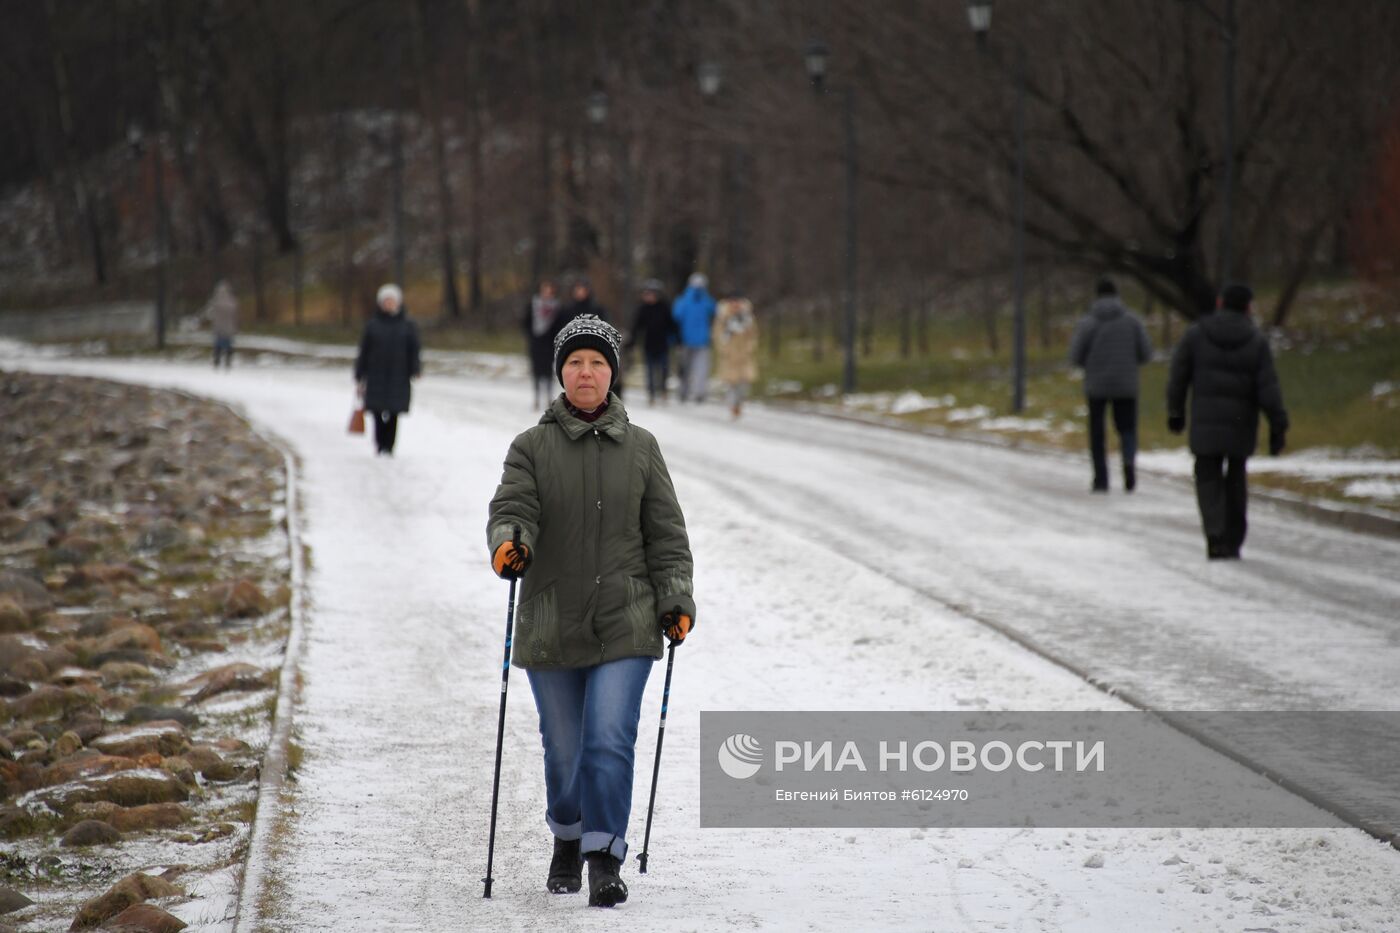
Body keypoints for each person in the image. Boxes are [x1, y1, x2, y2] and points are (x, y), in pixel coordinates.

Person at [486, 313, 695, 908]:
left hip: (627, 620)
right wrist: (510, 541)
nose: (586, 372)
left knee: (608, 739)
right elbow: (513, 506)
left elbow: (668, 535)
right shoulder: (530, 446)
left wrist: (676, 597)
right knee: (566, 748)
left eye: (598, 363)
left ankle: (604, 857)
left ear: (612, 374)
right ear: (560, 373)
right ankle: (567, 835)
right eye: (576, 362)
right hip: (552, 621)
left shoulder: (642, 448)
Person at [1166, 282, 1289, 559]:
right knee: (1236, 477)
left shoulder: (1197, 334)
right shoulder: (1256, 341)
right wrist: (1277, 424)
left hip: (1206, 424)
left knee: (1207, 477)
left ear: (1220, 304)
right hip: (1240, 424)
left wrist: (1175, 411)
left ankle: (1215, 534)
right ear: (1247, 307)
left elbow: (1178, 376)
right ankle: (1233, 538)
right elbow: (1268, 387)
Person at [1068, 277, 1153, 491]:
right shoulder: (1132, 321)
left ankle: (1101, 478)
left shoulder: (1088, 322)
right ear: (1117, 295)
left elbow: (1076, 355)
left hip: (1096, 385)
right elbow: (1146, 353)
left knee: (1097, 432)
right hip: (1126, 384)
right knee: (1127, 429)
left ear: (1097, 296)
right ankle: (1128, 464)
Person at [354, 283, 422, 456]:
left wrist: (416, 368)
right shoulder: (373, 325)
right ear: (381, 303)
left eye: (392, 301)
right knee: (377, 411)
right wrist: (360, 372)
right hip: (376, 374)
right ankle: (379, 443)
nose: (389, 304)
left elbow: (414, 349)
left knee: (393, 412)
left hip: (398, 375)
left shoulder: (407, 325)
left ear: (398, 302)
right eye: (386, 301)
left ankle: (389, 446)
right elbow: (364, 350)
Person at [626, 279, 677, 405]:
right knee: (649, 369)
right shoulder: (642, 309)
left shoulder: (664, 307)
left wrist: (677, 339)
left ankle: (664, 390)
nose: (649, 297)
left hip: (662, 343)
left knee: (664, 368)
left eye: (651, 294)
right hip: (648, 344)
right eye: (647, 294)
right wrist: (632, 342)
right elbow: (637, 327)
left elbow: (672, 325)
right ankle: (652, 393)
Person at [672, 272, 716, 403]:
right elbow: (676, 319)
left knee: (694, 368)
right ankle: (690, 392)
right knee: (691, 368)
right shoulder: (702, 300)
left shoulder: (684, 300)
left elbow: (676, 317)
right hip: (691, 341)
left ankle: (694, 392)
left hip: (699, 341)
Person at [713, 291, 758, 417]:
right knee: (731, 383)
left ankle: (739, 403)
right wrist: (723, 349)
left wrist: (750, 348)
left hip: (744, 355)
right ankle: (733, 406)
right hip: (729, 355)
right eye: (732, 302)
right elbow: (717, 335)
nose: (735, 305)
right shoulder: (723, 317)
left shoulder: (747, 317)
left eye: (737, 302)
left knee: (744, 383)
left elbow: (753, 335)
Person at [523, 279, 562, 408]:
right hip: (536, 344)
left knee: (549, 372)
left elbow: (559, 326)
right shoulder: (533, 305)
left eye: (549, 290)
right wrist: (531, 336)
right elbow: (525, 323)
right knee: (536, 371)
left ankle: (549, 397)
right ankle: (536, 397)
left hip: (549, 344)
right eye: (544, 290)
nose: (547, 293)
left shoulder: (556, 307)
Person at [204, 279, 239, 369]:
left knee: (218, 344)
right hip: (228, 327)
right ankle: (228, 361)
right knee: (228, 344)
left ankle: (217, 360)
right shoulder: (231, 301)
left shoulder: (215, 302)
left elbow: (210, 314)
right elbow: (235, 314)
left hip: (218, 327)